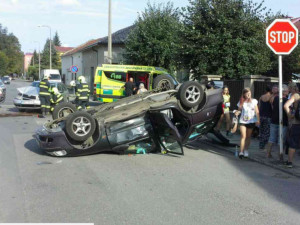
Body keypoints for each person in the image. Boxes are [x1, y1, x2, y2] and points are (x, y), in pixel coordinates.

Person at [235, 88, 260, 159]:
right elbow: (239, 110)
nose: (249, 94)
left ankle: (246, 150)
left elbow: (257, 111)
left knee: (248, 137)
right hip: (243, 121)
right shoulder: (241, 101)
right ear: (244, 94)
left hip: (251, 121)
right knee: (243, 136)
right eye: (247, 93)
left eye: (249, 93)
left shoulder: (254, 101)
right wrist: (237, 112)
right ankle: (241, 152)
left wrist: (258, 120)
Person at [266, 85, 289, 159]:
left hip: (274, 120)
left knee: (271, 138)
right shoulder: (286, 100)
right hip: (283, 121)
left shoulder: (275, 98)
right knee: (281, 139)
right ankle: (280, 155)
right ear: (284, 91)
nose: (288, 92)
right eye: (287, 90)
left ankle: (268, 153)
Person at [283, 91, 300, 168]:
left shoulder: (296, 96)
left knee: (292, 143)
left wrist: (290, 116)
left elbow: (286, 106)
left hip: (295, 123)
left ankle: (289, 162)